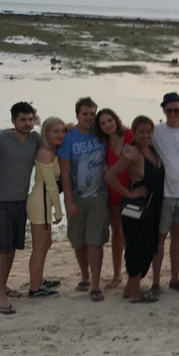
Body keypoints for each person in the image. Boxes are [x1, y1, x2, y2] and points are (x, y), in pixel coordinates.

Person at [0, 101, 43, 312]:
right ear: (13, 121)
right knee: (1, 251)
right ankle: (1, 295)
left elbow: (54, 134)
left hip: (22, 201)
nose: (27, 124)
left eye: (30, 120)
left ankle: (4, 286)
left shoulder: (35, 139)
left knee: (11, 249)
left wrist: (40, 120)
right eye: (22, 120)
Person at [105, 115, 164, 304]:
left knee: (148, 246)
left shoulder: (151, 150)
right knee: (137, 248)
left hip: (152, 207)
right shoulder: (132, 153)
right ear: (134, 132)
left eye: (148, 132)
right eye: (141, 132)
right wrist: (128, 194)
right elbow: (110, 176)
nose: (145, 135)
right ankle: (136, 294)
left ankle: (129, 289)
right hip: (137, 208)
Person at [57, 96, 109, 302]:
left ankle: (96, 284)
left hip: (99, 196)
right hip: (76, 198)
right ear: (77, 115)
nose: (89, 118)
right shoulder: (69, 139)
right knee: (78, 242)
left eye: (92, 114)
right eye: (85, 114)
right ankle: (85, 276)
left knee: (95, 241)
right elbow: (64, 173)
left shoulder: (101, 134)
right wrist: (69, 202)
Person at [151, 92, 179, 294]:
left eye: (176, 110)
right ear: (163, 110)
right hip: (165, 194)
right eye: (168, 110)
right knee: (160, 238)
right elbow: (135, 137)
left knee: (178, 237)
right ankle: (155, 282)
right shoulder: (155, 131)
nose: (172, 113)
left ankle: (175, 279)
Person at [26, 115, 66, 297]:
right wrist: (59, 211)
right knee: (39, 246)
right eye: (55, 131)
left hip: (45, 202)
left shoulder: (54, 151)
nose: (60, 134)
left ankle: (39, 279)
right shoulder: (45, 153)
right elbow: (50, 186)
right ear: (47, 133)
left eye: (62, 131)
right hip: (40, 201)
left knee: (46, 242)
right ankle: (34, 287)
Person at [95, 108, 134, 289]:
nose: (107, 125)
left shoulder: (129, 135)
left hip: (130, 190)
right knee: (116, 233)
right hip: (112, 192)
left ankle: (133, 271)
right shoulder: (103, 142)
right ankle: (117, 274)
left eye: (109, 121)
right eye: (103, 123)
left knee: (129, 234)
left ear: (116, 120)